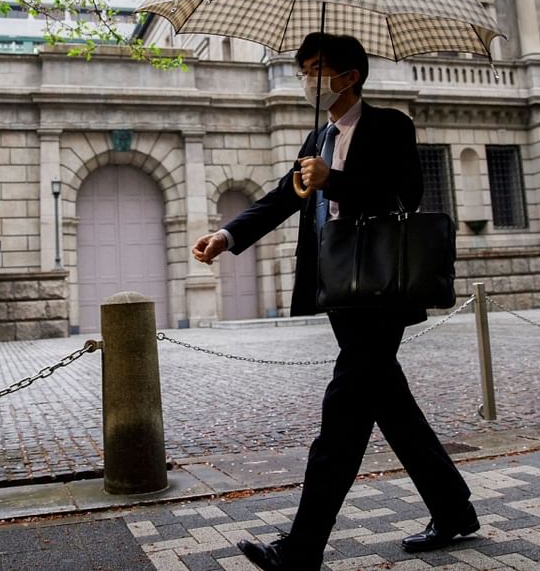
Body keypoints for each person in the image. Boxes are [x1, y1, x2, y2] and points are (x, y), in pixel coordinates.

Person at [191, 33, 478, 570]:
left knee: (343, 416)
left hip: (383, 288)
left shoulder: (392, 125)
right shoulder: (315, 137)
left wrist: (337, 181)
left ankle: (301, 550)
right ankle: (453, 508)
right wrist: (227, 237)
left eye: (317, 69)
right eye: (304, 70)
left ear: (349, 76)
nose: (307, 79)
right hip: (340, 290)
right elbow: (282, 198)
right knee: (390, 405)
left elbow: (405, 196)